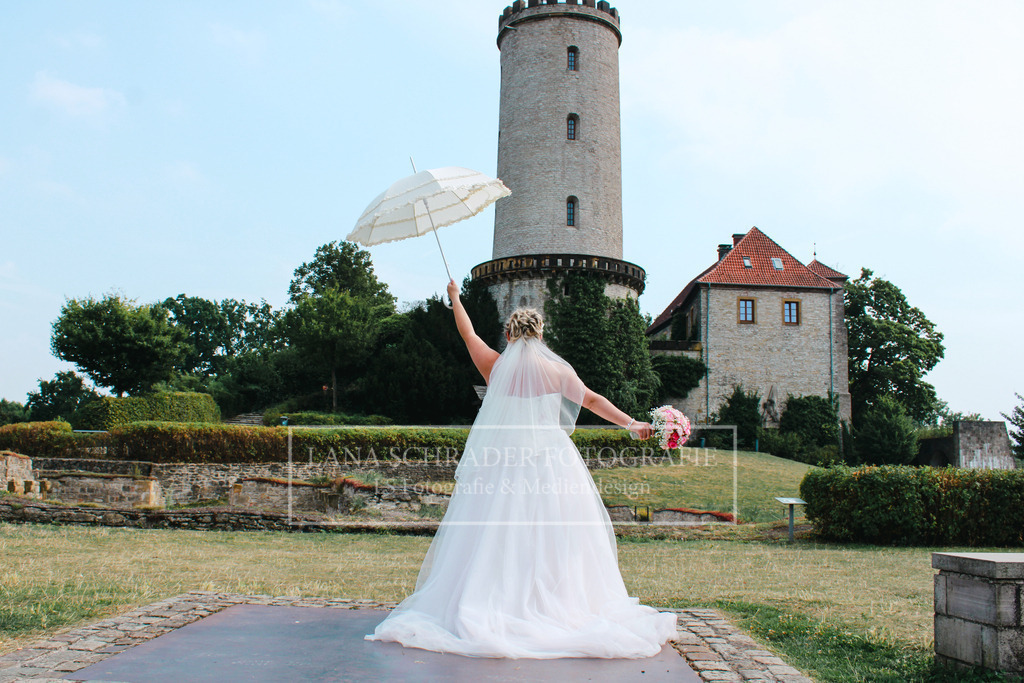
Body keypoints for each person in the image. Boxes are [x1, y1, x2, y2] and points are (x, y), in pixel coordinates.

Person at [365, 280, 677, 659]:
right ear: (541, 334)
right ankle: (562, 606)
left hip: (503, 464)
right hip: (552, 462)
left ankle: (499, 603)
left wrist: (456, 299)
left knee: (496, 536)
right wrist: (632, 424)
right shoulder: (557, 372)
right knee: (559, 539)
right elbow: (593, 400)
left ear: (508, 335)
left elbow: (467, 332)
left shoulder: (495, 366)